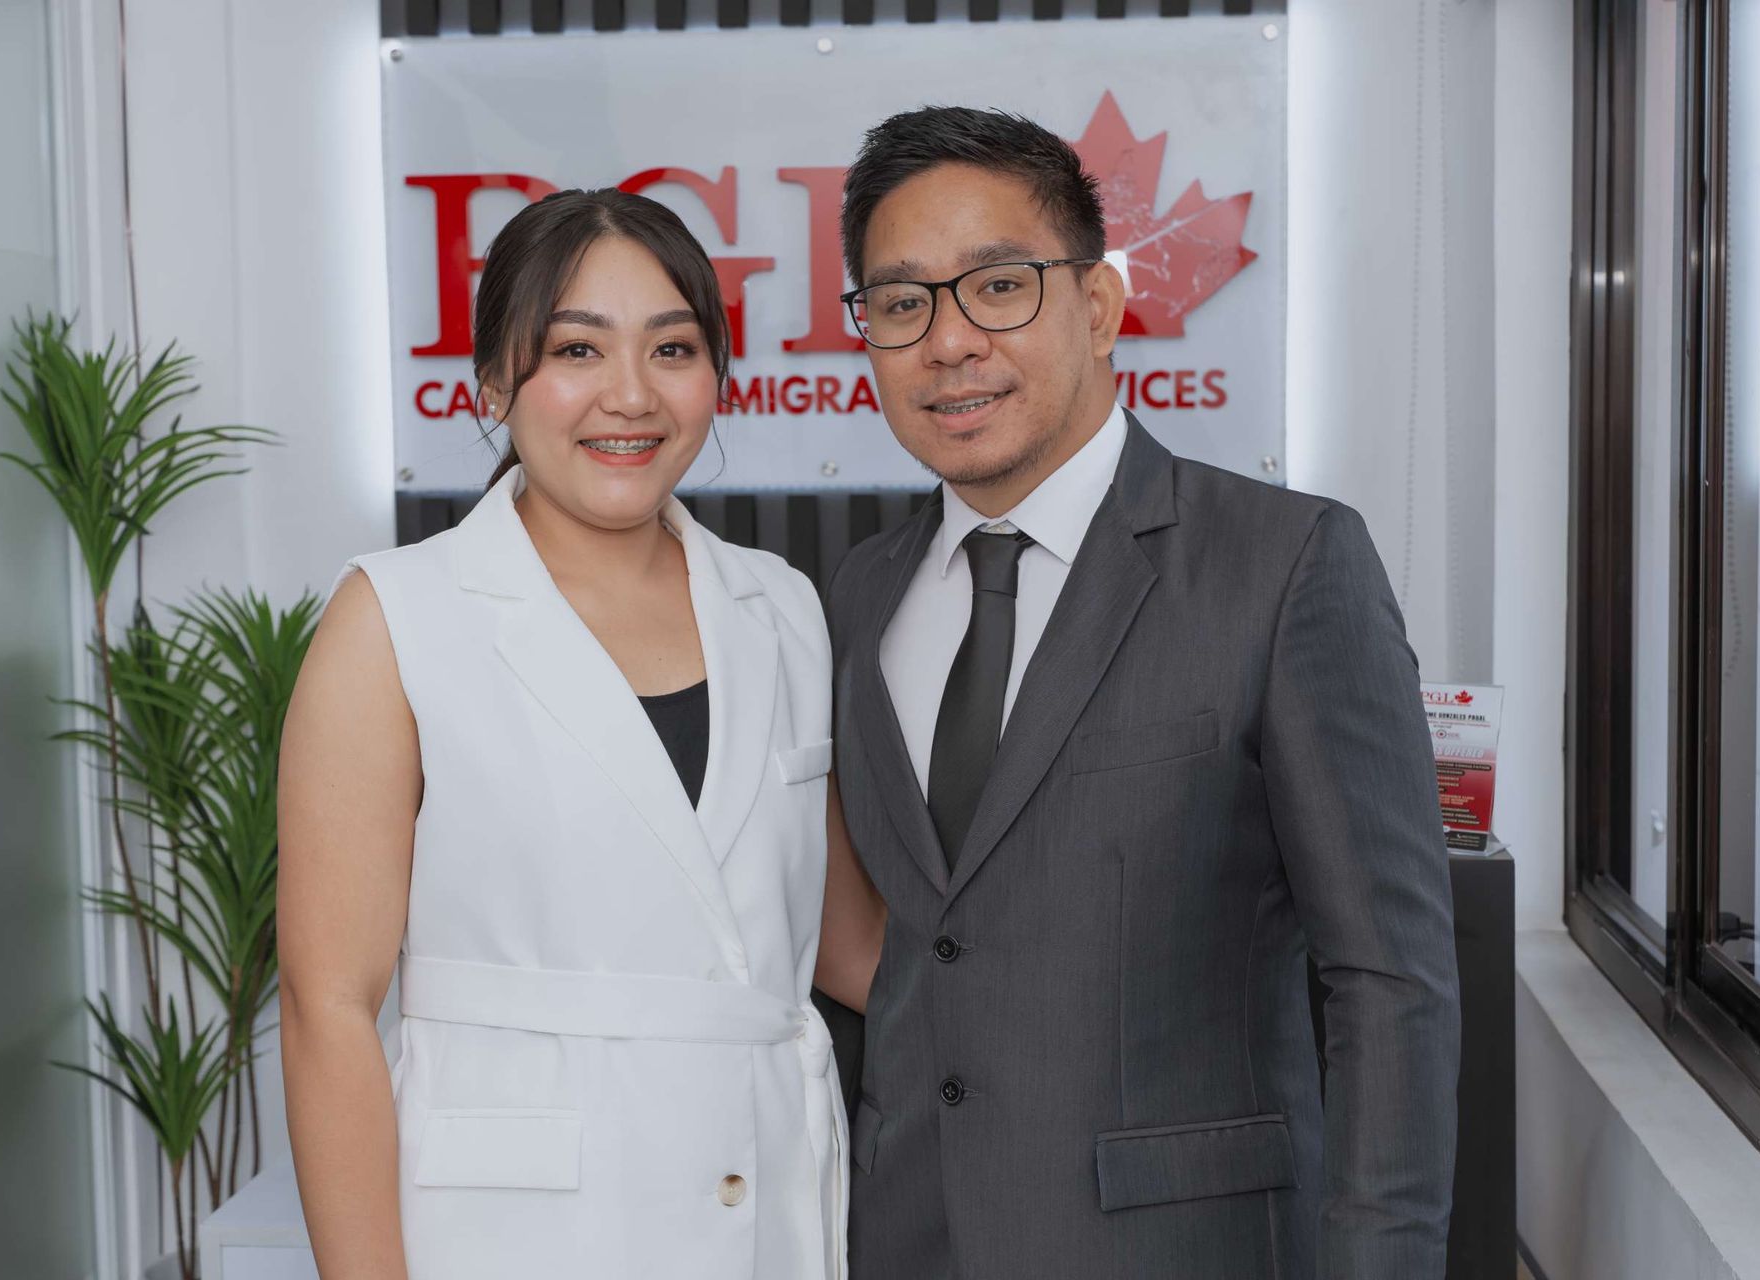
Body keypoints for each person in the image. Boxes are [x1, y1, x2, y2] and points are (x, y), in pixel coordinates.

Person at [826, 107, 1461, 1279]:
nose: (948, 342)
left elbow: (1389, 983)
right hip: (910, 1239)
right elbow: (927, 947)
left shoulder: (1284, 564)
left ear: (1102, 307)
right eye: (902, 302)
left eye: (999, 285)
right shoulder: (859, 594)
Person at [277, 188, 882, 1280]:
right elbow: (328, 1008)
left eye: (674, 347)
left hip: (769, 1210)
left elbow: (836, 938)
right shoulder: (396, 614)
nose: (631, 396)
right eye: (576, 349)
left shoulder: (782, 605)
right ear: (493, 381)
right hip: (519, 1232)